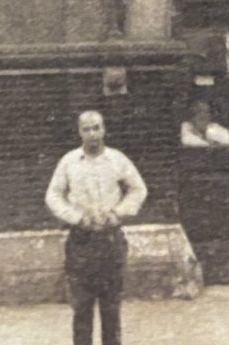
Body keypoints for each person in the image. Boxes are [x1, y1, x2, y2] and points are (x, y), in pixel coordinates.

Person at [45, 109, 147, 345]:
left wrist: (118, 214)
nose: (93, 134)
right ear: (79, 132)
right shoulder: (69, 162)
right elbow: (53, 195)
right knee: (81, 307)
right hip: (81, 243)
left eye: (97, 128)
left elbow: (138, 189)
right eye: (87, 129)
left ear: (104, 129)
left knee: (111, 308)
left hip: (110, 241)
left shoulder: (117, 159)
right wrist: (76, 217)